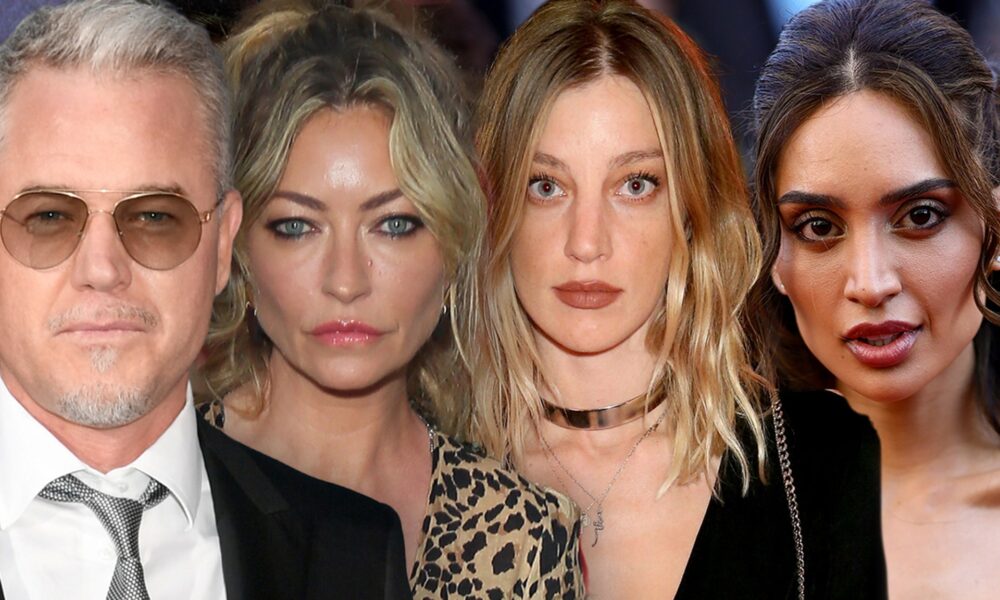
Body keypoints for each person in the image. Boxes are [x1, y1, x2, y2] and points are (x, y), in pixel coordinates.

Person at [471, 0, 887, 597]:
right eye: (546, 185)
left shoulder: (825, 463)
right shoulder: (416, 474)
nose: (586, 243)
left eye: (635, 184)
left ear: (692, 209)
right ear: (493, 208)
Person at [0, 1, 410, 598]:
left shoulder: (353, 555)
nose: (103, 270)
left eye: (154, 218)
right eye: (49, 218)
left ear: (222, 246)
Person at [199, 2, 583, 597]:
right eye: (298, 226)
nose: (346, 281)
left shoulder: (524, 539)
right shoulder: (157, 486)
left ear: (454, 241)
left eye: (394, 225)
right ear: (238, 246)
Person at [751, 0, 1000, 597]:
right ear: (772, 252)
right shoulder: (699, 505)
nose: (869, 283)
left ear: (994, 226)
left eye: (921, 216)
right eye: (818, 226)